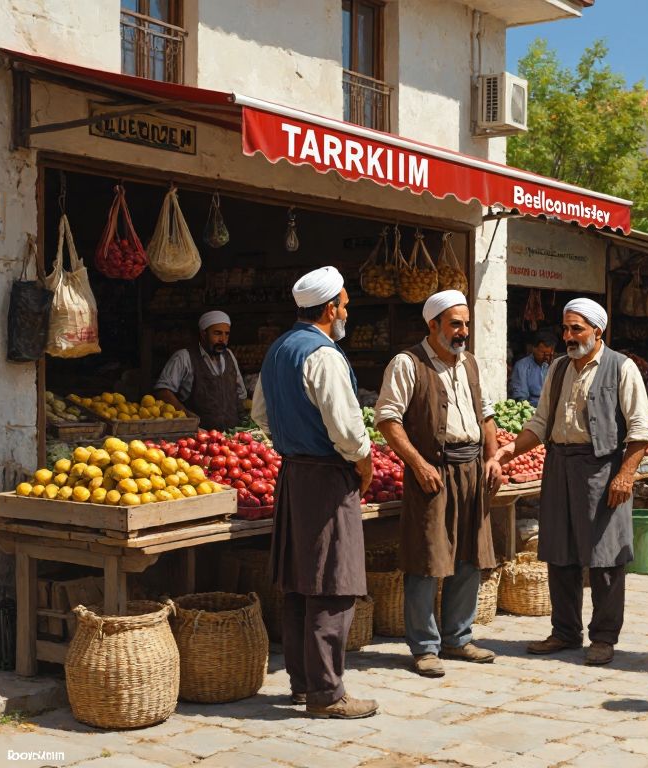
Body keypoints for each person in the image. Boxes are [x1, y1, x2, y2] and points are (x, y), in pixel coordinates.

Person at [496, 299, 648, 666]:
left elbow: (640, 430)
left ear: (597, 331)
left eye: (576, 329)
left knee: (605, 556)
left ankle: (603, 636)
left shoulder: (621, 368)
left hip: (601, 469)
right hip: (559, 465)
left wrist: (625, 474)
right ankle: (565, 631)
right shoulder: (560, 368)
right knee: (559, 551)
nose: (568, 336)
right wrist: (509, 450)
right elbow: (540, 422)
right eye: (565, 328)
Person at [252, 266, 376, 719]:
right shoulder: (323, 355)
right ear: (330, 309)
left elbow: (261, 414)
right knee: (331, 583)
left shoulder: (278, 350)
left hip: (294, 474)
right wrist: (362, 464)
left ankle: (303, 684)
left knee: (300, 583)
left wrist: (294, 441)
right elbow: (347, 430)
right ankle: (327, 693)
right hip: (326, 476)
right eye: (344, 304)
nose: (347, 311)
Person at [375, 290, 504, 677]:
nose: (463, 332)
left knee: (469, 555)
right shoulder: (407, 363)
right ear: (433, 325)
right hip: (432, 471)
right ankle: (424, 647)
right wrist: (417, 463)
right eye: (455, 324)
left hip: (472, 470)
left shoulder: (471, 364)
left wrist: (494, 457)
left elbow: (486, 415)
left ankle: (458, 638)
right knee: (428, 557)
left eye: (465, 324)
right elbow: (387, 420)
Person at [154, 310, 248, 431]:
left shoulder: (229, 355)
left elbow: (240, 394)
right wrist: (186, 414)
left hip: (231, 436)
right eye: (217, 333)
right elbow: (163, 391)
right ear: (203, 334)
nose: (223, 339)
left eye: (226, 334)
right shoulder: (184, 357)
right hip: (198, 437)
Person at [509, 333, 555, 407]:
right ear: (534, 349)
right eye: (543, 353)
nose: (546, 357)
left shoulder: (553, 364)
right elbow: (521, 397)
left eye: (549, 353)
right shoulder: (522, 366)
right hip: (532, 409)